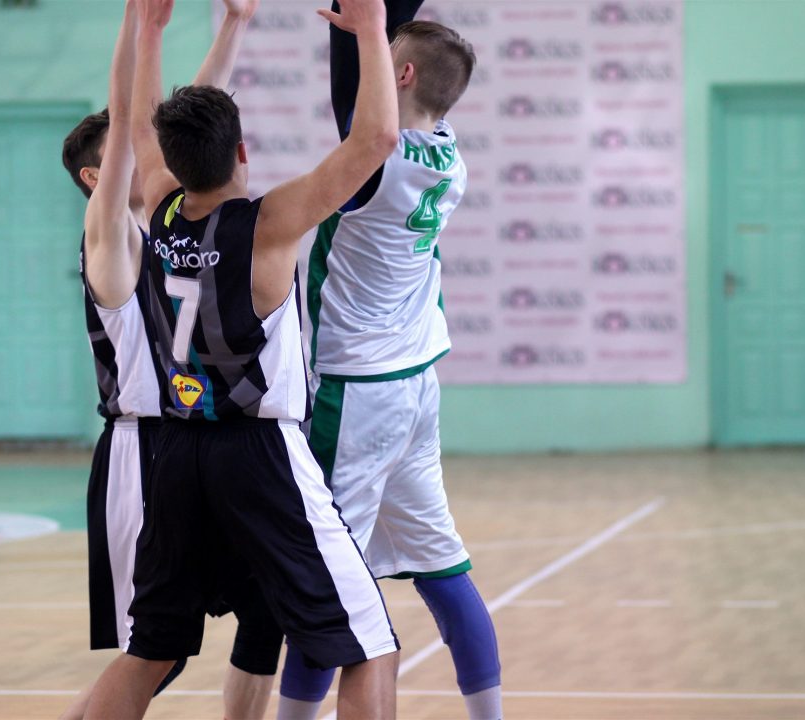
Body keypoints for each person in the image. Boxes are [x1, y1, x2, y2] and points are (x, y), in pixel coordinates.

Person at [82, 0, 402, 717]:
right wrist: (371, 29)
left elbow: (140, 127)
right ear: (243, 153)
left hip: (177, 455)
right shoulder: (268, 225)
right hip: (260, 453)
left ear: (170, 159)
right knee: (369, 644)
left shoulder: (159, 206)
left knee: (151, 648)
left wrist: (149, 31)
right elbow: (378, 138)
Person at [277, 6, 503, 720]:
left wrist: (365, 29)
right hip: (416, 384)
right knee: (443, 569)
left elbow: (357, 108)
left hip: (356, 393)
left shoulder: (375, 161)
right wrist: (372, 32)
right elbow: (377, 95)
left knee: (322, 582)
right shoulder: (450, 155)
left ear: (400, 74)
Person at [58, 1, 282, 718]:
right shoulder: (111, 237)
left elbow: (183, 123)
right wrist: (140, 24)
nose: (145, 146)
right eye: (127, 145)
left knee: (266, 609)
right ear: (94, 177)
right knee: (155, 650)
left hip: (197, 445)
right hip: (140, 451)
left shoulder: (170, 225)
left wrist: (234, 25)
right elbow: (134, 117)